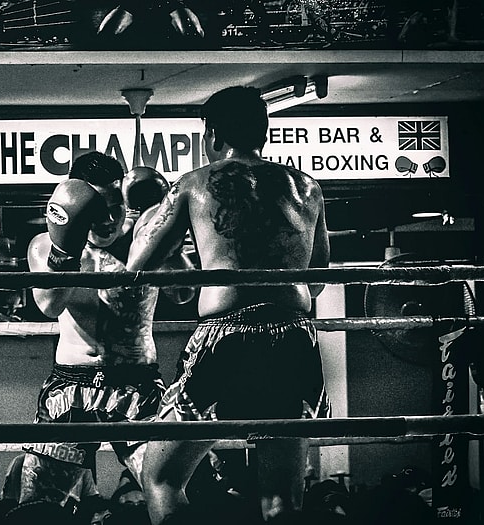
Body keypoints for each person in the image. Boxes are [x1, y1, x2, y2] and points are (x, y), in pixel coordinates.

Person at [126, 86, 331, 524]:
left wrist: (143, 213)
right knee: (282, 500)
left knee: (159, 478)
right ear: (266, 130)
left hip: (227, 336)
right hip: (295, 335)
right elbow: (319, 273)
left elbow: (138, 264)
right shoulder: (307, 188)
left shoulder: (195, 183)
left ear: (212, 133)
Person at [22, 151, 193, 510]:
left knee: (172, 489)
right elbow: (49, 304)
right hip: (70, 387)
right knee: (38, 503)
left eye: (116, 206)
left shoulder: (144, 240)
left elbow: (184, 292)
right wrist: (65, 245)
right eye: (96, 209)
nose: (109, 219)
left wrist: (165, 228)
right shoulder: (44, 246)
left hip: (137, 384)